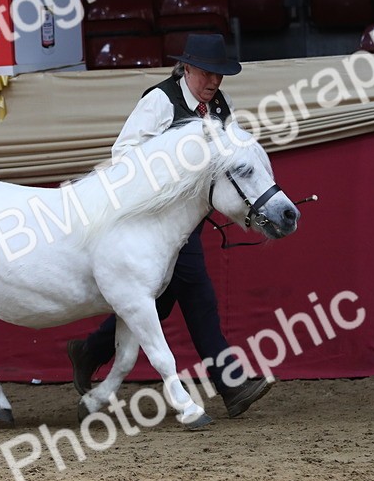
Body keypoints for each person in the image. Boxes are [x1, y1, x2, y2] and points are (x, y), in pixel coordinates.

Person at [67, 33, 275, 419]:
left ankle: (91, 351)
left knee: (157, 303)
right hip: (149, 223)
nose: (214, 82)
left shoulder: (219, 106)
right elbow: (123, 154)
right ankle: (230, 384)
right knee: (198, 297)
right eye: (208, 73)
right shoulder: (159, 101)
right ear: (188, 68)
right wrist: (172, 171)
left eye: (220, 75)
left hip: (183, 222)